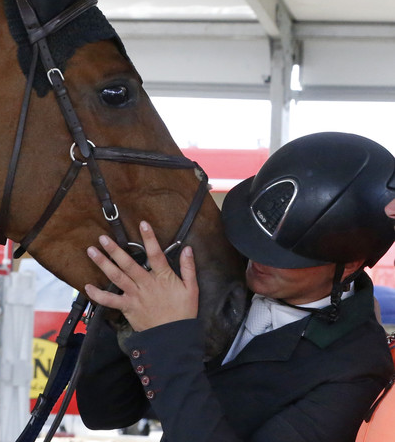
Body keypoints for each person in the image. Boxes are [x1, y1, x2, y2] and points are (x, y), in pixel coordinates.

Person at [76, 132, 395, 441]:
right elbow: (105, 413)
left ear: (349, 265)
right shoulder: (221, 273)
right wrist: (125, 304)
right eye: (254, 236)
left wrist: (165, 336)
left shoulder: (356, 369)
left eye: (282, 255)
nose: (255, 257)